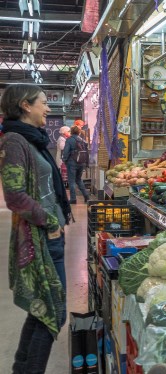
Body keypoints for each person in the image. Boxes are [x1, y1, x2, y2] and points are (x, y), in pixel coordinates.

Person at [0, 84, 71, 374]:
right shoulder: (16, 141)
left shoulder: (32, 140)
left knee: (41, 309)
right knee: (53, 311)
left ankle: (22, 369)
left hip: (48, 237)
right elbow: (14, 195)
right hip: (39, 238)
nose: (48, 108)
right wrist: (51, 221)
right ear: (26, 106)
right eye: (43, 102)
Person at [62, 125, 90, 204]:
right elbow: (86, 152)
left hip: (72, 162)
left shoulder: (69, 140)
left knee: (71, 181)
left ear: (71, 131)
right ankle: (86, 196)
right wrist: (86, 163)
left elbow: (66, 151)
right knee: (78, 179)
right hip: (81, 163)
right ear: (79, 132)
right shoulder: (82, 140)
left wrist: (64, 160)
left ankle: (73, 199)